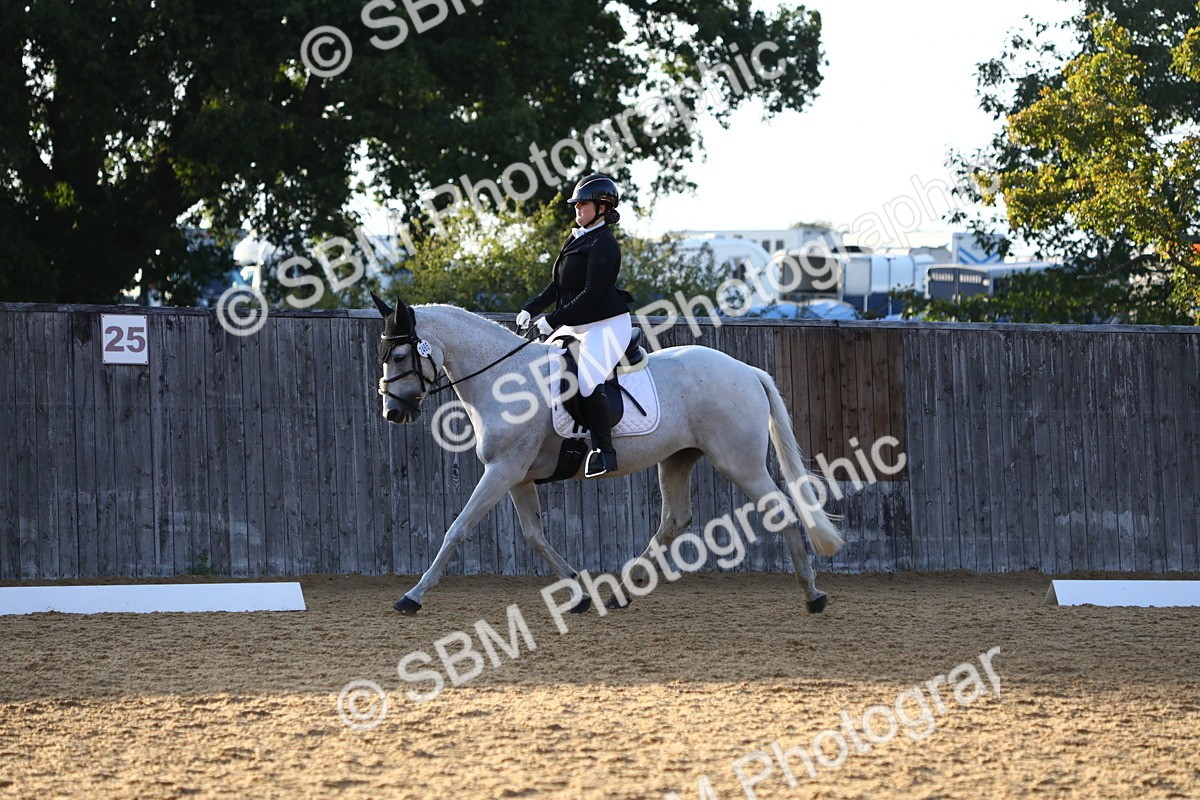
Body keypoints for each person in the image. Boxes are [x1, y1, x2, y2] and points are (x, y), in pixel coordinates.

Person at [516, 174, 635, 477]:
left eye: (583, 204)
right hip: (578, 322)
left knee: (587, 380)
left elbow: (592, 294)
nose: (577, 209)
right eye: (577, 204)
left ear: (603, 207)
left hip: (606, 325)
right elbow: (557, 286)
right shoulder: (578, 237)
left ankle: (605, 452)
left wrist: (554, 320)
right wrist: (531, 309)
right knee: (542, 367)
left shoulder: (605, 244)